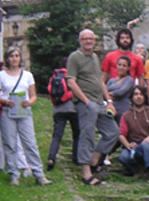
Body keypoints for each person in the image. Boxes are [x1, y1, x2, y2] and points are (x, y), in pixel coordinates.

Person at [67, 29, 120, 186]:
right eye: (85, 39)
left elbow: (100, 81)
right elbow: (71, 81)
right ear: (80, 41)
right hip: (86, 104)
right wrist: (85, 101)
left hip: (99, 103)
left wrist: (109, 101)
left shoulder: (95, 57)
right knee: (87, 135)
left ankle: (94, 160)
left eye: (91, 39)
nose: (89, 41)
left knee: (113, 132)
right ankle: (86, 174)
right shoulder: (75, 57)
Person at [0, 47, 51, 186]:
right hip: (8, 111)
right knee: (10, 144)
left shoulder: (27, 75)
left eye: (17, 56)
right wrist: (5, 101)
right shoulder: (1, 75)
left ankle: (39, 174)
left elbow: (33, 95)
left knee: (30, 143)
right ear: (7, 58)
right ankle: (14, 174)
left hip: (24, 111)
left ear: (20, 58)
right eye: (12, 56)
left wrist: (29, 102)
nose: (14, 58)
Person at [0, 62, 30, 173]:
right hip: (0, 113)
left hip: (15, 111)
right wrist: (1, 103)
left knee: (17, 139)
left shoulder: (13, 82)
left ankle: (22, 165)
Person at [118, 86, 149, 183]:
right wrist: (127, 144)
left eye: (141, 94)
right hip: (135, 147)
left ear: (145, 97)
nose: (138, 97)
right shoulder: (126, 115)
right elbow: (121, 134)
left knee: (146, 144)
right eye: (136, 94)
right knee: (124, 156)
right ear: (131, 97)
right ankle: (140, 170)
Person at [47, 57, 80, 172]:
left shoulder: (54, 76)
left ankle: (51, 158)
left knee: (57, 136)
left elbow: (50, 92)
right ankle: (76, 158)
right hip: (73, 109)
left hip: (58, 110)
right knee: (77, 134)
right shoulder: (72, 76)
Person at [106, 56, 136, 124]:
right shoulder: (111, 81)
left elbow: (120, 92)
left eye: (124, 66)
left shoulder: (129, 80)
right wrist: (107, 95)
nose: (121, 67)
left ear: (128, 68)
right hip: (111, 111)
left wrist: (108, 94)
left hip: (124, 112)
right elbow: (103, 92)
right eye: (119, 65)